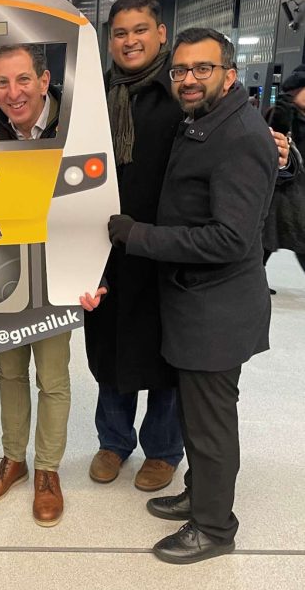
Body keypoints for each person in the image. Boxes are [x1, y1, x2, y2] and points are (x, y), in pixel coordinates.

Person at [105, 28, 277, 563]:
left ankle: (213, 528)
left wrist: (139, 235)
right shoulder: (206, 122)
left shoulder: (241, 136)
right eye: (180, 70)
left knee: (210, 424)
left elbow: (231, 238)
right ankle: (199, 497)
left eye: (202, 69)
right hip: (195, 301)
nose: (188, 79)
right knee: (197, 420)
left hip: (216, 310)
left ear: (229, 73)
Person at [0, 44, 71, 527]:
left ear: (44, 81)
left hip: (59, 269)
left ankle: (47, 469)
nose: (13, 92)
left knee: (54, 377)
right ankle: (14, 461)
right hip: (4, 271)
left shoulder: (78, 124)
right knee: (9, 371)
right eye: (2, 82)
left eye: (22, 80)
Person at [80, 0, 185, 493]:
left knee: (168, 351)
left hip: (167, 247)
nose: (130, 40)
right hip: (108, 250)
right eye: (120, 33)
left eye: (140, 30)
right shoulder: (96, 95)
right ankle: (114, 441)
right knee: (111, 347)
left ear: (161, 33)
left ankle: (163, 450)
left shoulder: (182, 93)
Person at [262, 64, 305, 281]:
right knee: (266, 242)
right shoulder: (281, 112)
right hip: (282, 191)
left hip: (298, 192)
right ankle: (254, 279)